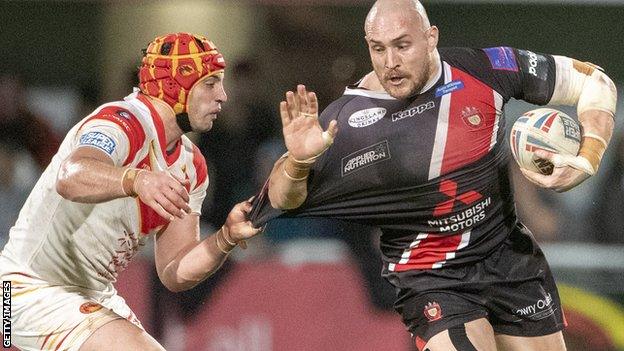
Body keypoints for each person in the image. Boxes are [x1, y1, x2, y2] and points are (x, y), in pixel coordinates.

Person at [250, 1, 617, 350]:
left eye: (402, 45)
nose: (390, 62)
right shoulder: (345, 120)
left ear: (431, 38)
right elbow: (282, 199)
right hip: (431, 276)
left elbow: (594, 82)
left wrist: (589, 156)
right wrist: (298, 163)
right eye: (378, 49)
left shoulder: (482, 68)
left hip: (509, 261)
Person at [0, 32, 261, 351]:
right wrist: (136, 180)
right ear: (175, 84)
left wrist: (225, 239)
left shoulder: (191, 165)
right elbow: (70, 175)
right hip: (26, 292)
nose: (223, 95)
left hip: (94, 296)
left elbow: (174, 271)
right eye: (210, 83)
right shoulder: (122, 121)